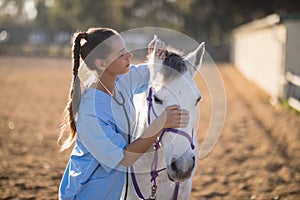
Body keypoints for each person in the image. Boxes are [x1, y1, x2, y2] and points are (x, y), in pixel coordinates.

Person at [58, 27, 189, 199]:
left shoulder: (120, 81)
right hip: (85, 194)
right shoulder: (90, 113)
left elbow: (151, 72)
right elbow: (125, 159)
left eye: (126, 50)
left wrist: (155, 57)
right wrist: (160, 123)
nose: (130, 56)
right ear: (101, 63)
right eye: (121, 54)